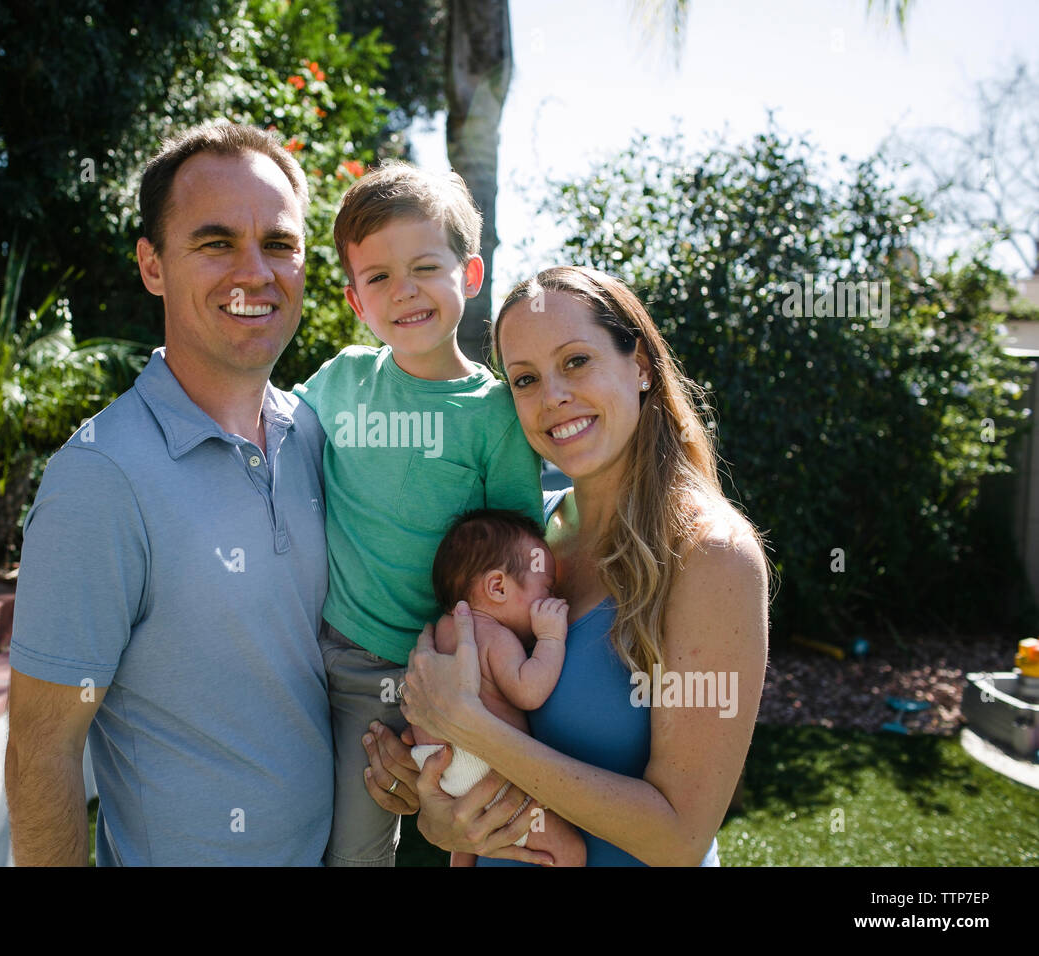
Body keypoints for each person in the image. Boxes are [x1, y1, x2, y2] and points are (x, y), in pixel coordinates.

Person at [4, 122, 335, 865]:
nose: (256, 272)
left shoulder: (316, 436)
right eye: (216, 243)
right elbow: (41, 751)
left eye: (279, 244)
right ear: (152, 266)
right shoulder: (100, 476)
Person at [363, 266, 770, 866]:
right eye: (525, 379)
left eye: (576, 361)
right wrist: (441, 804)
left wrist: (476, 731)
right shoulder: (522, 535)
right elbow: (457, 772)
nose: (552, 396)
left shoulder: (709, 556)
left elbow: (679, 837)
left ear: (640, 367)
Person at [291, 160, 544, 866]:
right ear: (355, 301)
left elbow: (518, 560)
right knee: (353, 847)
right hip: (347, 663)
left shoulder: (495, 415)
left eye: (425, 267)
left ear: (469, 275)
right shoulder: (339, 382)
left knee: (485, 836)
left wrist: (492, 679)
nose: (403, 291)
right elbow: (267, 453)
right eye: (378, 278)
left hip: (458, 675)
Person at [412, 508, 585, 867]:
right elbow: (529, 690)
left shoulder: (444, 629)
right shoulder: (494, 637)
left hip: (438, 764)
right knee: (570, 852)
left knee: (467, 830)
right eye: (547, 589)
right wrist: (552, 637)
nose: (552, 598)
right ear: (497, 587)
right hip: (479, 765)